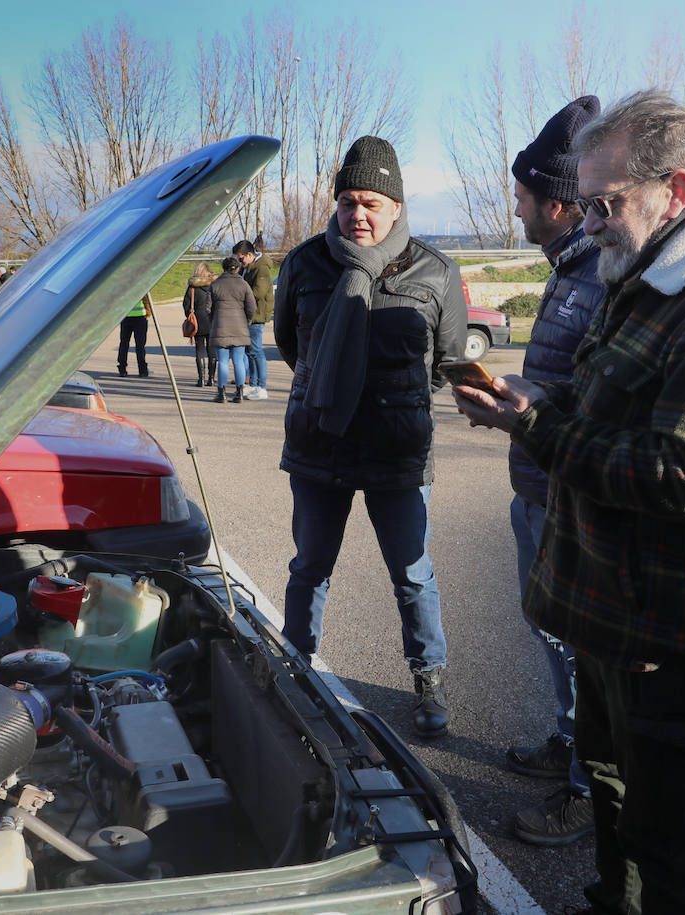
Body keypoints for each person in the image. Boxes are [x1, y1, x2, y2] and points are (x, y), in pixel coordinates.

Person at [453, 91, 685, 913]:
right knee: (615, 795)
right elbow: (600, 398)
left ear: (676, 189)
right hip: (613, 620)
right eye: (581, 204)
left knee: (672, 836)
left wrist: (540, 427)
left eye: (602, 204)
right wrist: (530, 403)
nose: (585, 224)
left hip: (668, 638)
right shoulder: (646, 264)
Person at [274, 135, 466, 738]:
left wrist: (389, 401)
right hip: (319, 445)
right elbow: (288, 345)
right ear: (336, 203)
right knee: (310, 567)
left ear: (396, 208)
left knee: (412, 573)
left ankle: (428, 677)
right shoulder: (304, 264)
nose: (359, 214)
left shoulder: (435, 271)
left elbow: (447, 360)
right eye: (349, 201)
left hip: (398, 449)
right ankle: (295, 667)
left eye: (373, 203)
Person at [500, 95, 607, 849]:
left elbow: (598, 393)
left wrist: (524, 410)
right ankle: (569, 745)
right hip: (536, 488)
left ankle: (584, 789)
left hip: (568, 497)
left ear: (558, 203)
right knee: (550, 635)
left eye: (523, 198)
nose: (516, 212)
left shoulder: (599, 273)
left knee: (575, 643)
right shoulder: (568, 265)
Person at [203, 257, 255, 403]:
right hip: (240, 326)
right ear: (237, 268)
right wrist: (247, 321)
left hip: (220, 327)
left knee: (223, 361)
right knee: (238, 361)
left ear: (223, 268)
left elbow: (207, 308)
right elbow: (252, 307)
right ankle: (239, 393)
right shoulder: (244, 284)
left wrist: (213, 320)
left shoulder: (215, 284)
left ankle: (222, 394)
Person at [233, 239, 272, 400]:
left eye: (241, 259)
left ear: (250, 255)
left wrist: (239, 295)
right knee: (250, 352)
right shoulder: (248, 268)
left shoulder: (261, 269)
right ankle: (253, 383)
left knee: (256, 352)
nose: (240, 262)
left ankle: (262, 387)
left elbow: (258, 293)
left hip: (256, 316)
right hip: (249, 315)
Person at [182, 262, 217, 387]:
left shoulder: (192, 288)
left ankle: (201, 379)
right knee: (212, 351)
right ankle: (211, 379)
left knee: (200, 350)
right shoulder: (213, 285)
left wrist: (190, 315)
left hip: (198, 321)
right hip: (212, 320)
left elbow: (186, 305)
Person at [117, 297, 150, 377]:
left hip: (126, 316)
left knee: (124, 343)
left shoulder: (124, 287)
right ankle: (142, 370)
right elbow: (147, 299)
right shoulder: (140, 285)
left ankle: (122, 368)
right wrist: (148, 312)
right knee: (140, 345)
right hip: (140, 317)